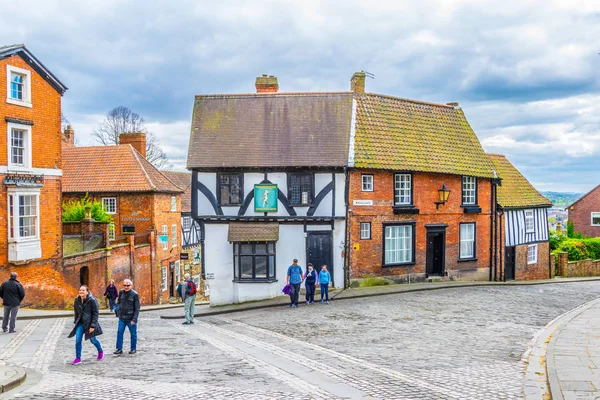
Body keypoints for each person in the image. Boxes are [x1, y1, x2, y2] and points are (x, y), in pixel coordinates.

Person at [68, 285, 104, 365]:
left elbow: (95, 313)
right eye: (80, 290)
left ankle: (100, 351)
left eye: (83, 290)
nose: (81, 291)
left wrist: (93, 326)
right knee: (78, 340)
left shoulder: (92, 300)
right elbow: (76, 312)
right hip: (80, 323)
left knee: (93, 340)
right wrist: (76, 321)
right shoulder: (77, 300)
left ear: (87, 292)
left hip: (89, 323)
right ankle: (78, 358)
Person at [114, 279, 140, 355]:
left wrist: (134, 319)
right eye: (124, 285)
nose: (126, 287)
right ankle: (119, 349)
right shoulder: (121, 292)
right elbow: (118, 302)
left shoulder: (135, 294)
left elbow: (137, 308)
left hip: (131, 318)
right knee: (119, 333)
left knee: (133, 334)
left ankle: (133, 348)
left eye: (128, 285)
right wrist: (117, 310)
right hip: (122, 318)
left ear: (131, 286)